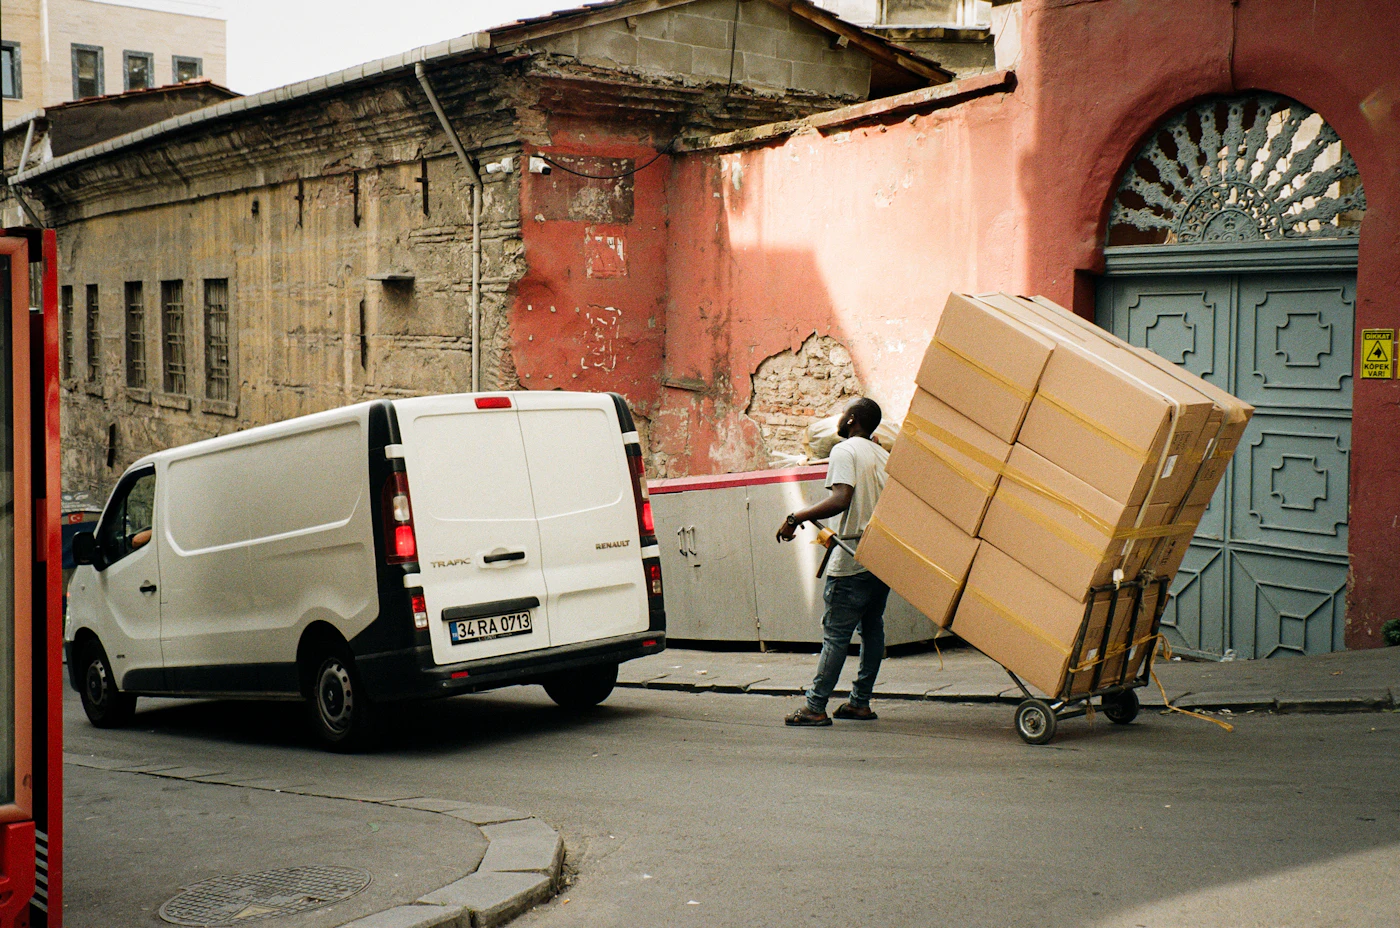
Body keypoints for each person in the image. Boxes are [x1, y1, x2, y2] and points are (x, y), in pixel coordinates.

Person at [776, 397, 890, 726]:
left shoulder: (845, 450)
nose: (840, 420)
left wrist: (795, 516)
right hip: (877, 558)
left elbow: (841, 498)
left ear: (852, 419)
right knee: (872, 630)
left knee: (836, 635)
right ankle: (860, 703)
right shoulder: (881, 454)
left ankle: (815, 706)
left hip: (852, 562)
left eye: (844, 414)